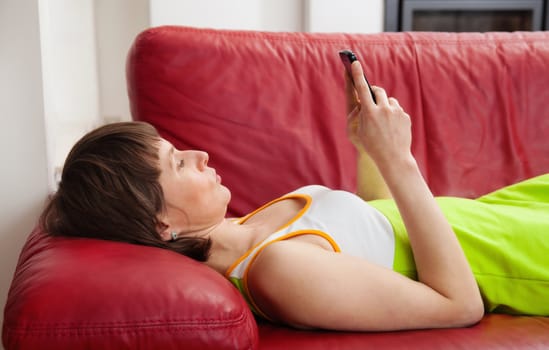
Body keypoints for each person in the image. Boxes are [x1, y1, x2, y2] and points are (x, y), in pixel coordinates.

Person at [40, 61, 549, 332]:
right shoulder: (276, 269)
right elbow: (457, 306)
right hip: (512, 251)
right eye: (177, 163)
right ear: (159, 226)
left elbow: (378, 236)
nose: (198, 154)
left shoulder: (248, 227)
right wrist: (400, 160)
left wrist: (367, 149)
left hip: (502, 208)